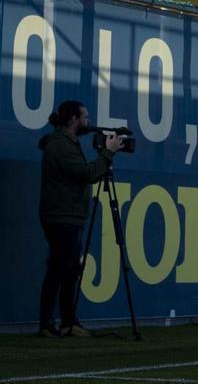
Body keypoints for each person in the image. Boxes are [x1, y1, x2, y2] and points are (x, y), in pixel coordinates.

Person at [37, 100, 121, 337]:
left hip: (68, 215)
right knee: (58, 269)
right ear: (73, 119)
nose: (88, 121)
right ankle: (48, 324)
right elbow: (87, 174)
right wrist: (108, 153)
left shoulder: (67, 143)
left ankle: (67, 322)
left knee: (68, 270)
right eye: (85, 117)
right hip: (62, 216)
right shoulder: (61, 146)